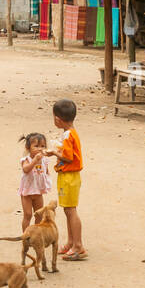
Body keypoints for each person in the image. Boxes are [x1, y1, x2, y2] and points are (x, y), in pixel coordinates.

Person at [45, 98, 85, 260]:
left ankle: (78, 246)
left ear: (57, 119)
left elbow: (68, 157)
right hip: (68, 176)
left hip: (69, 176)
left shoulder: (68, 136)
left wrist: (54, 152)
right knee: (68, 210)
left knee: (71, 211)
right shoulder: (70, 133)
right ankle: (71, 242)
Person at [17, 132, 53, 233]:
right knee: (27, 214)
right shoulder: (26, 159)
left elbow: (46, 173)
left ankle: (35, 234)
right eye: (36, 146)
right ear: (28, 148)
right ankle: (26, 235)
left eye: (42, 146)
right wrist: (34, 161)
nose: (40, 148)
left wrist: (46, 184)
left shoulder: (45, 160)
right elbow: (26, 169)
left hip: (38, 192)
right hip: (27, 192)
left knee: (39, 215)